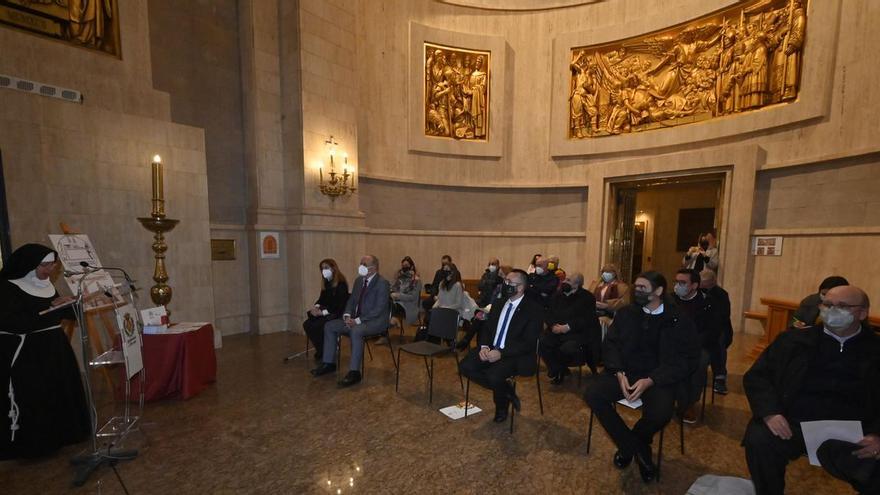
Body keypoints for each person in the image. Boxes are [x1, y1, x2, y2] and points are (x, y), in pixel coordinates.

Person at [742, 285, 880, 495]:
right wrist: (770, 412)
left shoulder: (875, 349)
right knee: (759, 438)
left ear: (862, 313)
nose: (833, 310)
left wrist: (877, 434)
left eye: (842, 306)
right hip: (794, 423)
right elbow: (757, 377)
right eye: (828, 304)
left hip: (855, 431)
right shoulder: (793, 341)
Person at [583, 271, 699, 484]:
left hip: (658, 378)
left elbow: (686, 360)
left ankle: (635, 443)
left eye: (642, 287)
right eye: (636, 286)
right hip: (625, 373)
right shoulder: (627, 313)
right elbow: (611, 344)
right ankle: (634, 447)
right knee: (593, 394)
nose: (636, 290)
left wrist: (651, 380)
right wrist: (618, 373)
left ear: (659, 291)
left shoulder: (678, 319)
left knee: (661, 412)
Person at [0, 243, 90, 460]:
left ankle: (66, 433)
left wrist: (74, 304)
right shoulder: (7, 288)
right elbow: (13, 322)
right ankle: (40, 443)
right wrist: (51, 310)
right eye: (45, 265)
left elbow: (56, 312)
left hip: (54, 348)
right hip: (28, 353)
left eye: (53, 265)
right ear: (30, 265)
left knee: (59, 390)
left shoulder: (45, 284)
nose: (50, 270)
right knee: (38, 395)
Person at [459, 269, 543, 423]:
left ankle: (501, 406)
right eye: (505, 282)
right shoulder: (498, 303)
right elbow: (487, 328)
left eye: (509, 283)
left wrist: (501, 353)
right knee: (465, 366)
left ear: (520, 288)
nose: (505, 285)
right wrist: (484, 346)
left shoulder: (533, 310)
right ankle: (506, 390)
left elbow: (528, 343)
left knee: (494, 375)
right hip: (491, 348)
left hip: (514, 354)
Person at [311, 255, 390, 387]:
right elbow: (352, 300)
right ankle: (329, 363)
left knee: (356, 331)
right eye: (361, 263)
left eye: (364, 264)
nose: (361, 266)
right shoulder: (359, 281)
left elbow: (378, 309)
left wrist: (357, 321)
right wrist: (347, 314)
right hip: (355, 319)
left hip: (374, 321)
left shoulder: (382, 283)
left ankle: (354, 372)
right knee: (330, 326)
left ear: (374, 268)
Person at [673, 268, 721, 423]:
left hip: (699, 345)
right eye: (676, 282)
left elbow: (712, 331)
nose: (678, 286)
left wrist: (692, 344)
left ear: (694, 285)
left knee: (699, 362)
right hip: (674, 343)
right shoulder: (671, 300)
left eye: (682, 283)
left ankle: (689, 403)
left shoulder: (708, 303)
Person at [539, 272, 601, 383]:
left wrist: (567, 327)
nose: (564, 282)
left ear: (577, 284)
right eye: (565, 280)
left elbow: (587, 319)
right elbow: (548, 313)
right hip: (556, 330)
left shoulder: (587, 297)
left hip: (576, 333)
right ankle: (557, 369)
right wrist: (553, 326)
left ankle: (560, 370)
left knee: (567, 348)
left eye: (568, 280)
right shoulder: (557, 295)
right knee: (543, 342)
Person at [456, 264, 512, 351]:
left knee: (481, 321)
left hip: (502, 314)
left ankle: (467, 341)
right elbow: (492, 301)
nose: (500, 277)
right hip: (492, 310)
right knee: (479, 317)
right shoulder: (499, 287)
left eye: (502, 275)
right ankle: (478, 346)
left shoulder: (510, 289)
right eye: (499, 274)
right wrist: (486, 310)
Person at [303, 258, 349, 361]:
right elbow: (321, 299)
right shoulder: (326, 282)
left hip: (337, 313)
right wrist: (316, 307)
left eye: (326, 268)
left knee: (317, 326)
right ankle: (321, 349)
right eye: (322, 268)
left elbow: (338, 306)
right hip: (327, 312)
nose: (324, 270)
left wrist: (322, 313)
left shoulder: (341, 284)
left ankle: (326, 350)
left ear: (333, 268)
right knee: (307, 324)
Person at [700, 269, 733, 395]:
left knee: (718, 342)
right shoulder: (698, 292)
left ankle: (720, 377)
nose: (703, 285)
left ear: (713, 282)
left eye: (705, 282)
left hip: (719, 328)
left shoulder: (721, 294)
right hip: (702, 327)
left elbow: (723, 316)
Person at [390, 256, 422, 330]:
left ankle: (392, 321)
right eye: (403, 266)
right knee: (384, 303)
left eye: (406, 265)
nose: (404, 267)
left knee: (389, 307)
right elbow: (393, 288)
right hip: (397, 302)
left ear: (411, 266)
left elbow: (412, 297)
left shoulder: (416, 280)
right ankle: (384, 331)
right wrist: (391, 292)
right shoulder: (400, 278)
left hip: (408, 306)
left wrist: (398, 295)